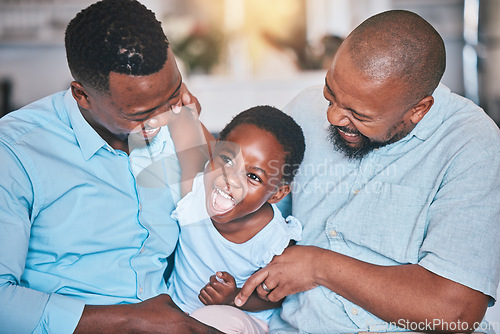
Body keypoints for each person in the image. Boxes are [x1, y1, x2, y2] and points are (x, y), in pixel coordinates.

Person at [235, 10, 500, 333]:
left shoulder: (471, 143)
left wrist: (319, 266)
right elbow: (253, 212)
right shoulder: (305, 109)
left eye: (358, 114)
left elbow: (455, 314)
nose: (332, 116)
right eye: (330, 91)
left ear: (418, 110)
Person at [0, 0, 218, 333]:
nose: (161, 121)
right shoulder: (15, 152)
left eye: (173, 95)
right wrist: (131, 321)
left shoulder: (179, 122)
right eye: (140, 114)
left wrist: (193, 128)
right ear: (81, 95)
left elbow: (221, 216)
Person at [165, 106, 305, 333]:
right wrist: (180, 105)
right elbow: (183, 122)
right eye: (228, 160)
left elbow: (275, 298)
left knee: (214, 319)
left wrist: (233, 298)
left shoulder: (273, 239)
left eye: (253, 176)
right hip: (177, 312)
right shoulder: (196, 191)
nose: (230, 179)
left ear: (277, 194)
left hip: (239, 320)